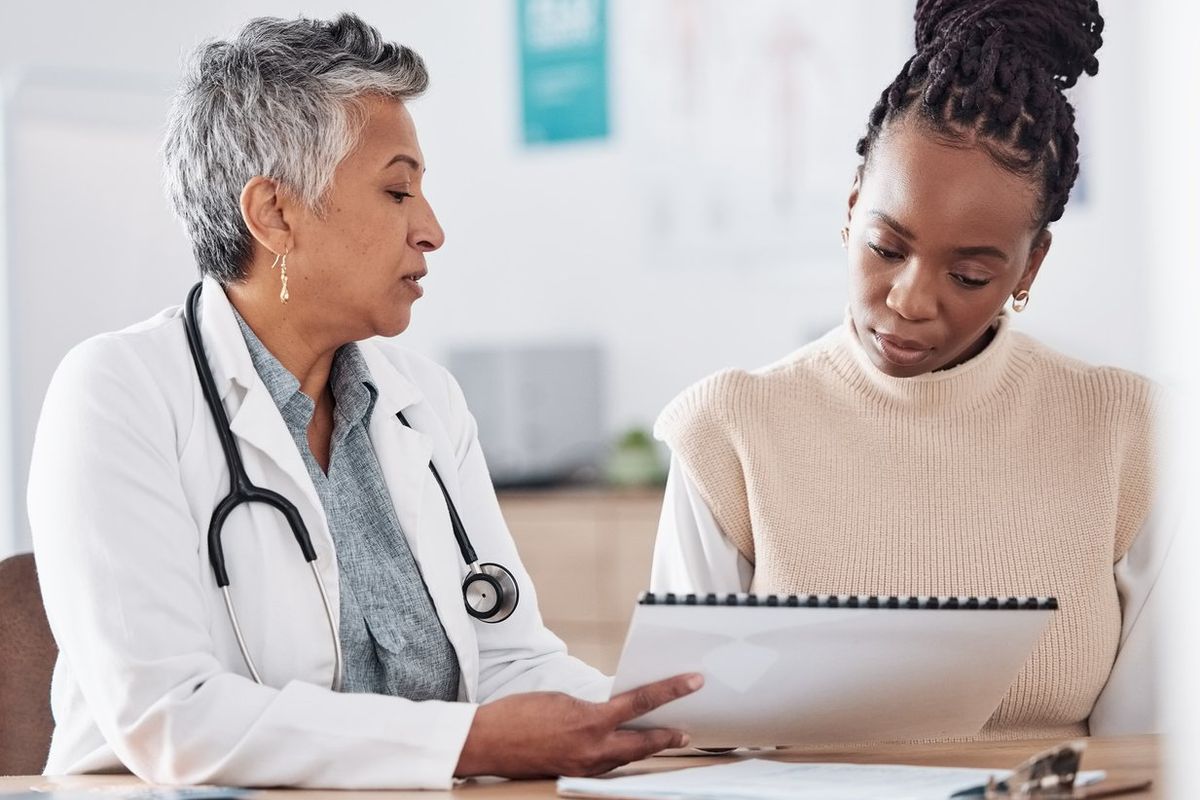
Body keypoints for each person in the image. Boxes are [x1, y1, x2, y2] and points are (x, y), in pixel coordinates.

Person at [27, 13, 699, 789]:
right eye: (396, 189)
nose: (432, 229)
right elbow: (170, 720)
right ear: (274, 213)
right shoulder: (118, 394)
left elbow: (512, 662)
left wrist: (687, 720)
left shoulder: (424, 403)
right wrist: (468, 745)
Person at [651, 0, 1165, 741]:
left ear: (1031, 265)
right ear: (854, 203)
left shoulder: (1133, 436)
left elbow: (1151, 753)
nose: (909, 301)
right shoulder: (728, 433)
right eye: (887, 248)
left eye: (969, 276)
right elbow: (688, 742)